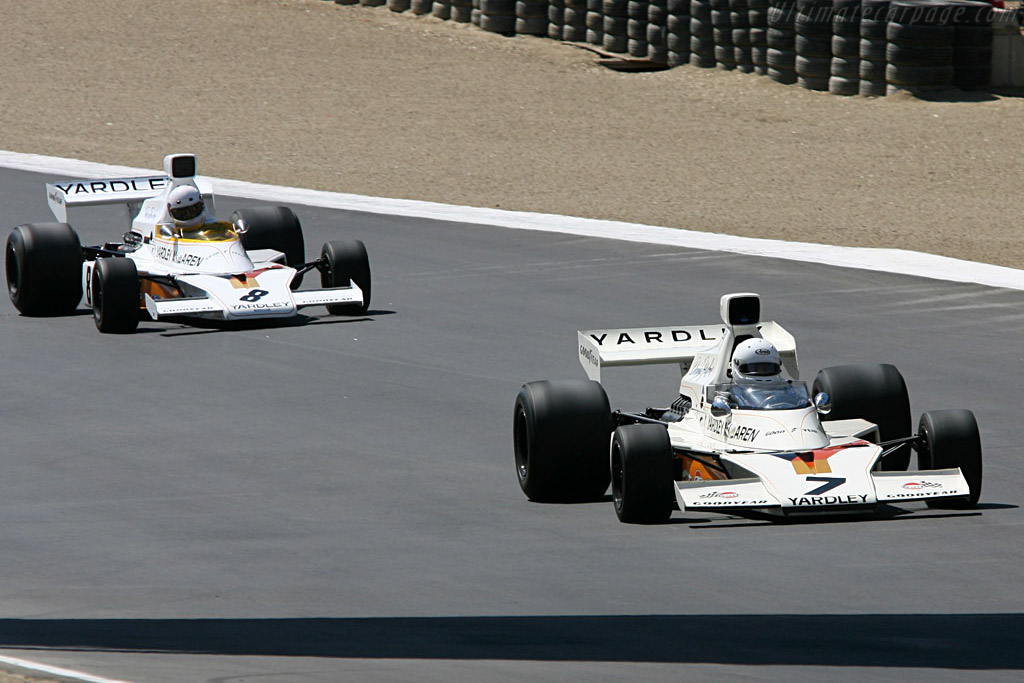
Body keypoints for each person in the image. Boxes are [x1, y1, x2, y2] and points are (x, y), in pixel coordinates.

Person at [728, 338, 809, 410]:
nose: (762, 373)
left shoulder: (788, 391)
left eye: (767, 368)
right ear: (736, 365)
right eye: (754, 369)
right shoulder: (731, 397)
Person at [162, 185, 233, 240]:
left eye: (194, 210)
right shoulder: (169, 231)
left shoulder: (217, 226)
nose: (189, 215)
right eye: (183, 213)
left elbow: (232, 232)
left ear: (202, 205)